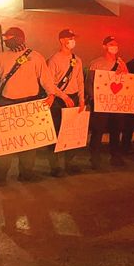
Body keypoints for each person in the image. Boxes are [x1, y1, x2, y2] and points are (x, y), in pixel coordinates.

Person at [0, 27, 72, 186]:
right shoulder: (0, 57)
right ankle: (0, 178)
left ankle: (26, 173)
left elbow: (46, 80)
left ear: (19, 38)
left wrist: (52, 95)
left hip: (29, 104)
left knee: (29, 143)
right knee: (6, 143)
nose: (6, 40)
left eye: (9, 37)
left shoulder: (36, 57)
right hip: (7, 103)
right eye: (5, 37)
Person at [46, 29, 86, 176]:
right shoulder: (54, 60)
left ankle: (70, 163)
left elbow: (80, 80)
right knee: (56, 132)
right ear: (62, 40)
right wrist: (64, 97)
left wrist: (81, 99)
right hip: (58, 99)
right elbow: (50, 84)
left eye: (73, 38)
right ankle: (55, 166)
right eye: (70, 38)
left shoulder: (77, 59)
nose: (72, 41)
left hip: (73, 98)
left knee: (72, 132)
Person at [87, 36, 128, 169]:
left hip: (116, 104)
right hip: (100, 103)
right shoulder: (96, 63)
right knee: (98, 131)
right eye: (111, 44)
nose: (114, 47)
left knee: (116, 130)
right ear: (104, 46)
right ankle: (95, 159)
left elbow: (127, 83)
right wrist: (94, 98)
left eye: (116, 44)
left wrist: (124, 71)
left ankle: (116, 157)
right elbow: (89, 83)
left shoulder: (122, 63)